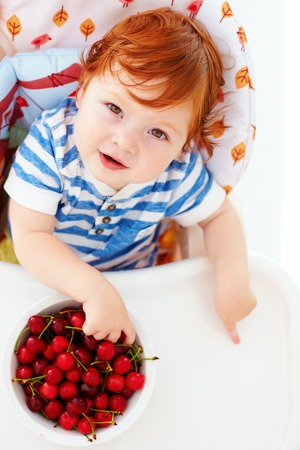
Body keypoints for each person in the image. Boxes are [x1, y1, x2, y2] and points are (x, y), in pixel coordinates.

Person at [4, 7, 256, 346]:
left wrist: (232, 279)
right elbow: (31, 237)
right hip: (32, 272)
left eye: (157, 132)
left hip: (135, 284)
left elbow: (219, 216)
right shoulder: (52, 143)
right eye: (114, 109)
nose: (125, 142)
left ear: (184, 145)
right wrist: (94, 290)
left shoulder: (174, 172)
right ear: (81, 90)